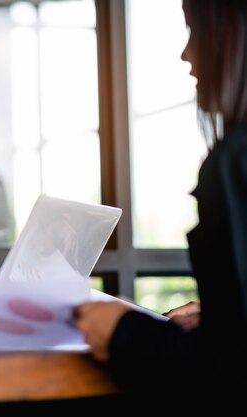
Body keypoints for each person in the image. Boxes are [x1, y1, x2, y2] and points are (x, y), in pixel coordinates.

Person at [74, 0, 247, 400]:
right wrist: (215, 321)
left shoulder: (235, 161)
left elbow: (227, 374)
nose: (187, 54)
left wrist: (121, 330)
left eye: (196, 31)